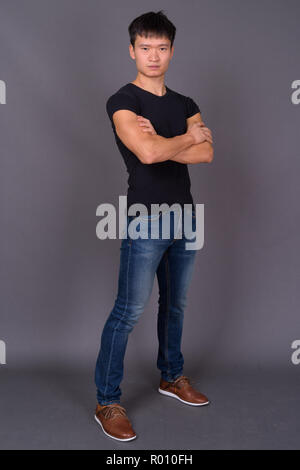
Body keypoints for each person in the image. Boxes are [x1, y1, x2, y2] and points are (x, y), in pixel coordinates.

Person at [94, 10, 214, 442]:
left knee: (175, 306)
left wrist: (164, 144)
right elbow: (146, 154)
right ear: (132, 50)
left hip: (184, 217)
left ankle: (171, 377)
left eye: (161, 48)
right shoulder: (123, 100)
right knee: (128, 312)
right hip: (144, 218)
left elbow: (207, 155)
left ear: (172, 51)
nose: (153, 55)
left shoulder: (185, 103)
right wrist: (185, 138)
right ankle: (107, 401)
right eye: (145, 48)